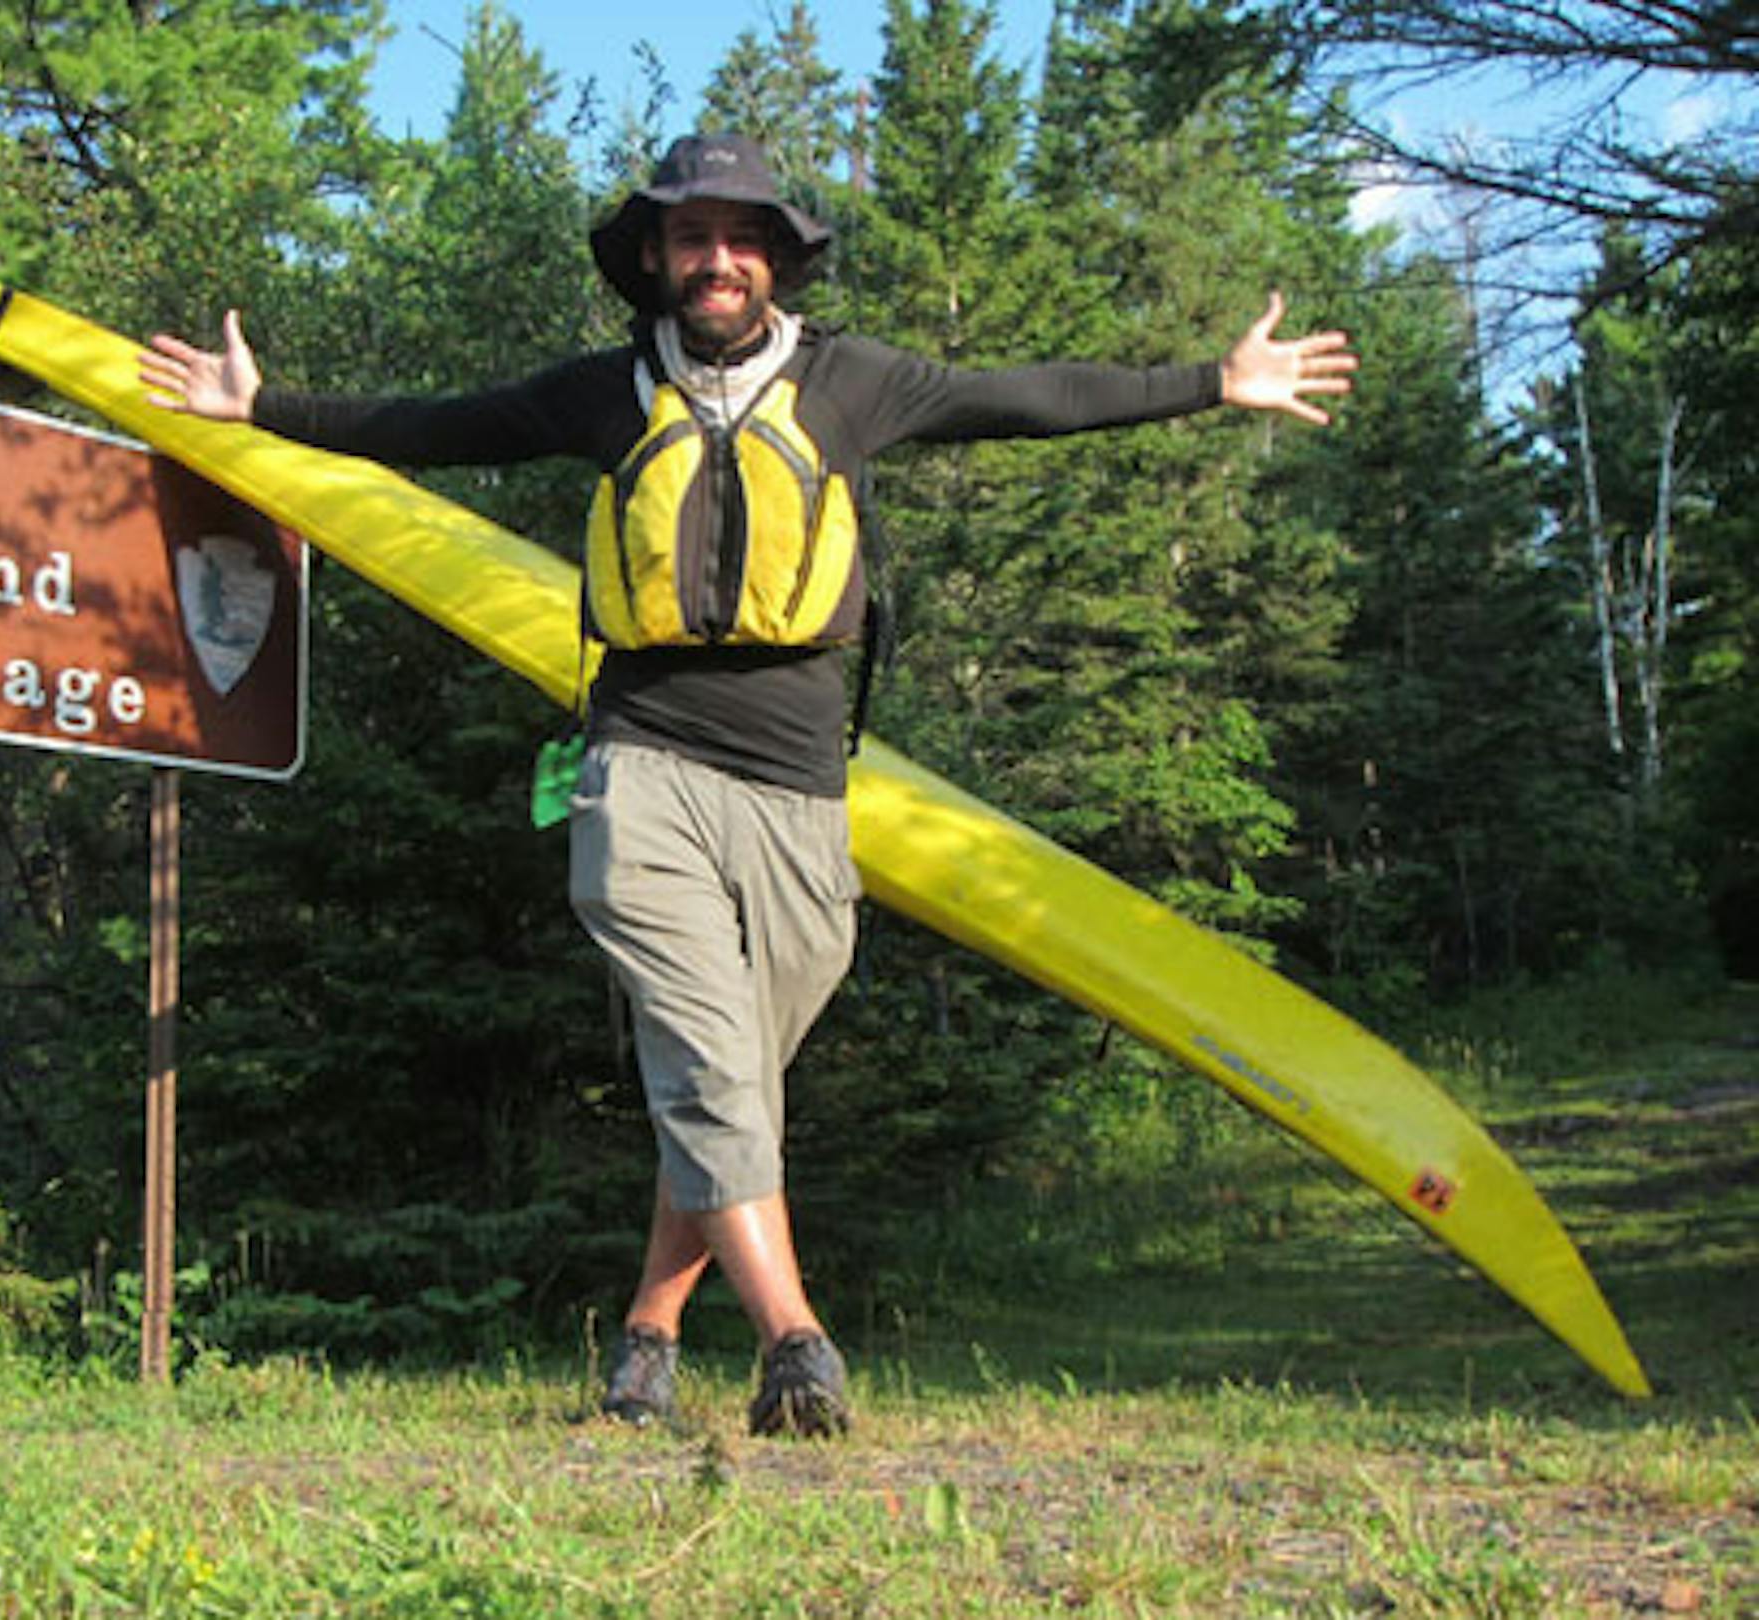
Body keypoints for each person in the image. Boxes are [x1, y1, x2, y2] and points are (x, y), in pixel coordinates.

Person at [140, 132, 1357, 1438]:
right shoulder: (600, 395)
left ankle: (648, 1339)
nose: (715, 260)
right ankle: (795, 1342)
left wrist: (1209, 383)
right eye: (689, 238)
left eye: (740, 238)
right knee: (712, 1067)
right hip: (641, 765)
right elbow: (434, 427)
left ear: (774, 258)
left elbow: (1024, 398)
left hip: (797, 787)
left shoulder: (853, 384)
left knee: (726, 1082)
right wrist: (263, 408)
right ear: (655, 260)